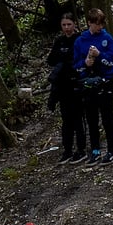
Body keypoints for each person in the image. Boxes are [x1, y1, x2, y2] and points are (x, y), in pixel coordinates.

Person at [72, 8, 113, 166]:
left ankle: (111, 150)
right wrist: (85, 63)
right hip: (88, 83)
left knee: (107, 118)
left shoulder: (107, 38)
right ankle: (95, 150)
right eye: (97, 24)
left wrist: (100, 56)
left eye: (102, 23)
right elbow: (76, 64)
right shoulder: (80, 40)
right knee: (91, 119)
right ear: (89, 23)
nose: (100, 27)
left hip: (105, 82)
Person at [46, 13, 86, 165]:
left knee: (78, 119)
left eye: (69, 24)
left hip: (75, 85)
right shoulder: (59, 41)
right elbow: (51, 60)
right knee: (66, 121)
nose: (67, 28)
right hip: (62, 87)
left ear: (75, 24)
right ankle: (67, 150)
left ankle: (81, 149)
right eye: (64, 25)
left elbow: (79, 59)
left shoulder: (79, 39)